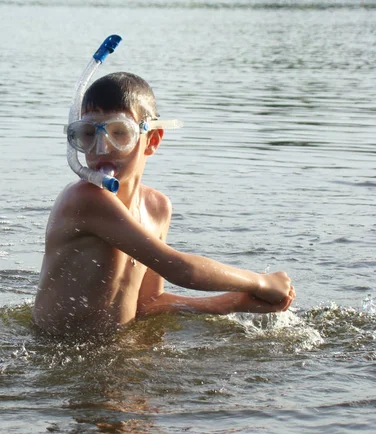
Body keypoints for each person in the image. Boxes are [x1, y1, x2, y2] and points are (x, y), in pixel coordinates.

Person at [33, 72, 295, 336]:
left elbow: (149, 304)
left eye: (120, 133)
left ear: (153, 140)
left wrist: (232, 302)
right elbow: (180, 269)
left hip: (115, 353)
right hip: (57, 352)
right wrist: (260, 283)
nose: (101, 148)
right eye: (88, 134)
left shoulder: (157, 207)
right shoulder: (85, 200)